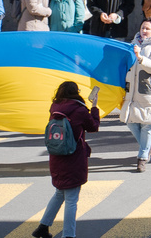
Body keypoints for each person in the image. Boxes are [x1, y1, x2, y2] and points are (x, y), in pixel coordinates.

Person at [32, 82, 100, 238]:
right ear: (76, 93)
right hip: (73, 158)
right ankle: (69, 235)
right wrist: (94, 106)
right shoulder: (80, 110)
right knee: (71, 199)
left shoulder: (54, 107)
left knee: (59, 193)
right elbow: (93, 126)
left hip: (56, 156)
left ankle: (43, 227)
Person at [120, 19, 151, 172]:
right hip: (133, 90)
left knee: (146, 124)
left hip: (148, 91)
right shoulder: (134, 44)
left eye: (147, 28)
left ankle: (142, 157)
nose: (144, 31)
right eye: (142, 28)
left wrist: (140, 58)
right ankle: (147, 146)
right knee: (130, 121)